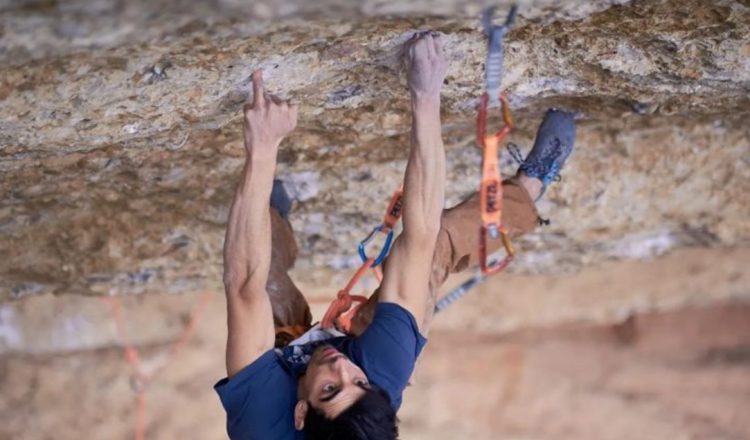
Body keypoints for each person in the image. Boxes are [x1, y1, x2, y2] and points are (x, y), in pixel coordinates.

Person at [215, 31, 575, 440]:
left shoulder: (263, 424)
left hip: (285, 382)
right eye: (358, 383)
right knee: (433, 251)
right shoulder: (384, 368)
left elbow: (242, 284)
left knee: (263, 286)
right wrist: (425, 93)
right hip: (370, 358)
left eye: (331, 390)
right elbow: (420, 235)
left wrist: (262, 147)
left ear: (299, 415)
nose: (340, 367)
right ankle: (526, 191)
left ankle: (271, 221)